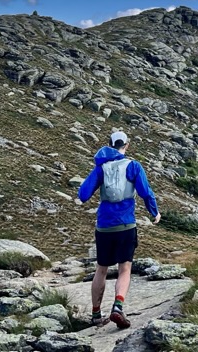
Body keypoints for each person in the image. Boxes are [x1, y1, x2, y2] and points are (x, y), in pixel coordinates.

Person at [78, 130, 160, 329]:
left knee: (101, 269)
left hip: (104, 226)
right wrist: (154, 213)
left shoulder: (101, 168)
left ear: (109, 145)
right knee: (125, 267)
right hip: (126, 224)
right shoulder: (133, 166)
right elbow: (145, 192)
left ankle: (96, 314)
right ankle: (118, 307)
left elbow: (83, 193)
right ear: (127, 145)